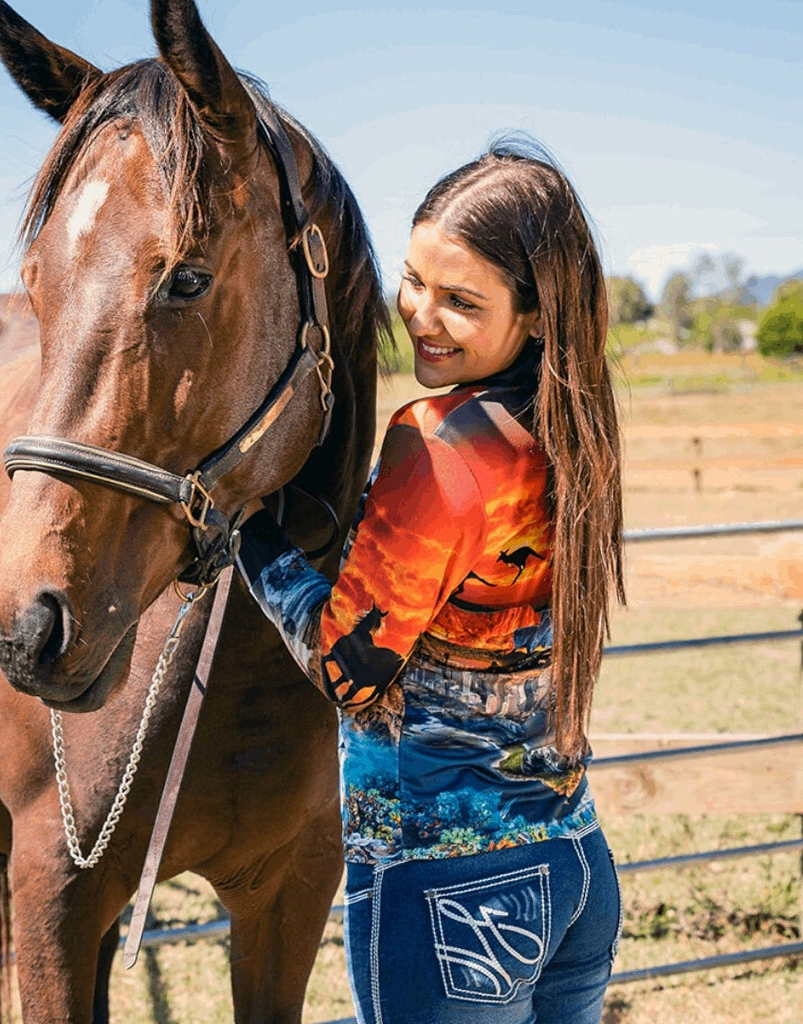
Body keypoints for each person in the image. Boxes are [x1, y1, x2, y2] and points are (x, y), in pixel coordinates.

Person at [234, 137, 625, 1023]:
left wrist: (245, 528)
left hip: (450, 890)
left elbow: (348, 668)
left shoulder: (442, 443)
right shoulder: (574, 429)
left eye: (461, 301)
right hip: (574, 865)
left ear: (533, 317)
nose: (420, 315)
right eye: (412, 280)